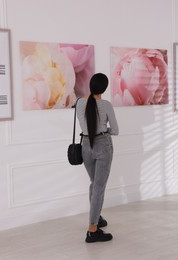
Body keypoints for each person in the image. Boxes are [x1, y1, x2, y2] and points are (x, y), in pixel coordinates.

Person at [75, 73, 119, 242]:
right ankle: (92, 229)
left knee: (95, 185)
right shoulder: (106, 105)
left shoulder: (79, 102)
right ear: (104, 88)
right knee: (99, 187)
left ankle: (97, 217)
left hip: (86, 146)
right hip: (102, 145)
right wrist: (106, 130)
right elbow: (115, 130)